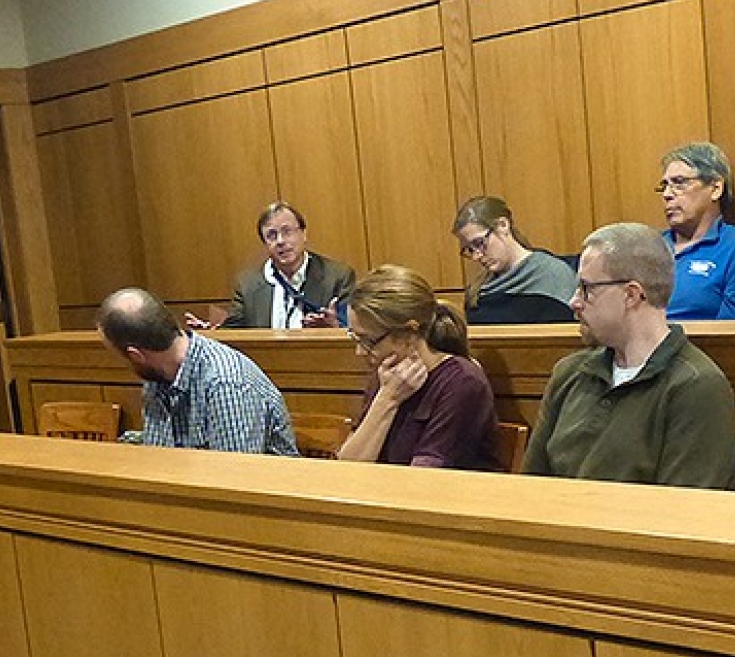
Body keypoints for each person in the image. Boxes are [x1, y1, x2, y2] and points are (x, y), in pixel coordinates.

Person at [525, 223, 735, 488]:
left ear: (631, 295)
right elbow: (532, 485)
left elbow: (684, 512)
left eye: (586, 289)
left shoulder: (697, 386)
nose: (574, 302)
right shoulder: (569, 373)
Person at [99, 287, 299, 455]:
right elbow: (161, 460)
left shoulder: (225, 385)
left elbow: (234, 485)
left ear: (136, 356)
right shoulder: (157, 376)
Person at [338, 265, 498, 469]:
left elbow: (424, 479)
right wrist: (386, 400)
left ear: (410, 333)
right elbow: (347, 469)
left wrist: (390, 398)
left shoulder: (462, 382)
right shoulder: (387, 376)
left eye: (368, 341)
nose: (360, 352)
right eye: (355, 338)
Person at [188, 201, 358, 330]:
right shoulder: (248, 285)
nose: (281, 241)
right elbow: (234, 332)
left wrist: (334, 327)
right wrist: (212, 334)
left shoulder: (337, 277)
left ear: (303, 234)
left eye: (287, 231)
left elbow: (355, 333)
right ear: (265, 243)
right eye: (271, 235)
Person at [655, 142, 735, 321]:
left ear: (716, 188)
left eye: (679, 183)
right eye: (664, 186)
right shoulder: (650, 246)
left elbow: (730, 329)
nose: (667, 194)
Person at [452, 196, 577, 324]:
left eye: (479, 243)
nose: (476, 256)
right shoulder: (478, 290)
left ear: (503, 225)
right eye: (470, 250)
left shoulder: (555, 275)